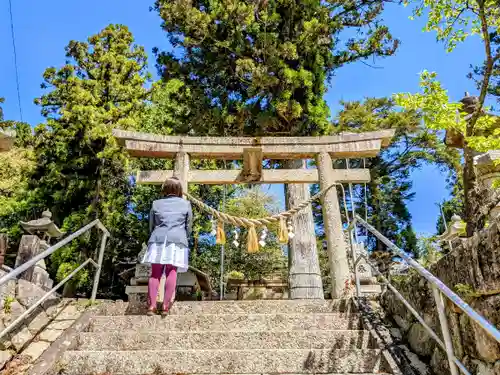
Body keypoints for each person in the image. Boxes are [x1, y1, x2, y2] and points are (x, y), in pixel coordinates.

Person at [142, 176, 193, 316]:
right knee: (172, 271)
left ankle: (151, 306)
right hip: (177, 239)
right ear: (179, 189)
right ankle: (165, 306)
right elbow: (188, 226)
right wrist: (184, 237)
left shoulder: (156, 204)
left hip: (158, 238)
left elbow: (151, 225)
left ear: (165, 188)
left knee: (155, 273)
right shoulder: (186, 204)